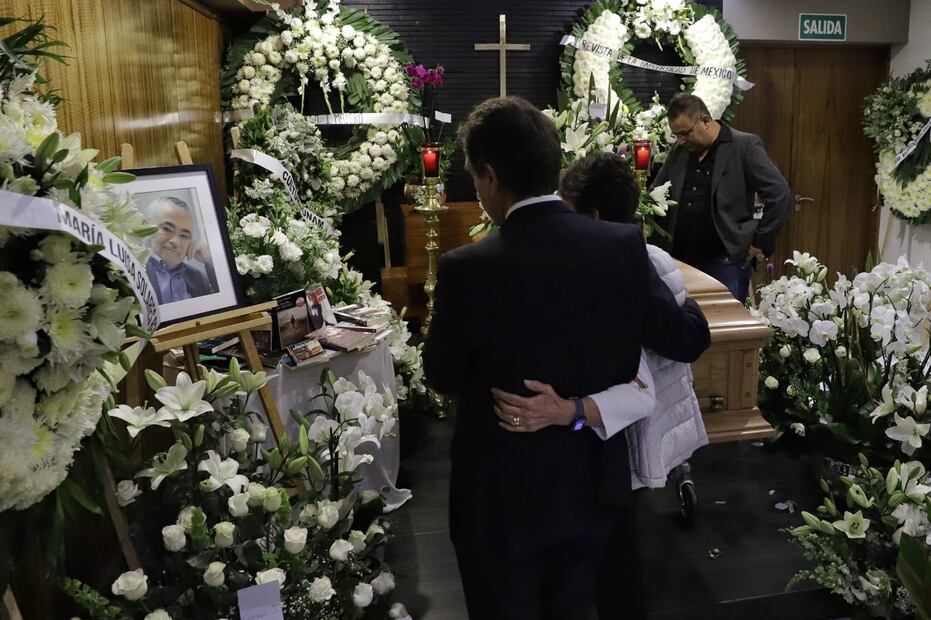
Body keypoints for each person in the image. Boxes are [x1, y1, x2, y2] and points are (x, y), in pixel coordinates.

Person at [422, 96, 711, 620]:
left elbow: (441, 374)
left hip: (499, 495)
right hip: (589, 485)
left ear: (489, 176)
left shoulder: (467, 267)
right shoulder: (621, 246)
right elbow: (675, 337)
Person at [493, 152, 710, 619]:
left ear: (590, 214)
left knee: (611, 559)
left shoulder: (624, 257)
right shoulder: (634, 252)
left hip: (616, 427)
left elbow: (686, 337)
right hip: (606, 424)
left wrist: (689, 308)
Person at [651, 93, 791, 301]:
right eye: (676, 135)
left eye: (685, 133)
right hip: (680, 261)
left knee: (724, 330)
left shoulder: (744, 146)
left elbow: (779, 194)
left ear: (705, 121)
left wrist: (759, 242)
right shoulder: (680, 150)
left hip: (725, 262)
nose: (681, 141)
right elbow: (656, 192)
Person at [144, 196, 217, 304]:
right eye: (166, 229)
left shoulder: (198, 278)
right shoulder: (129, 270)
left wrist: (210, 261)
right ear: (144, 226)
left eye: (184, 235)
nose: (175, 241)